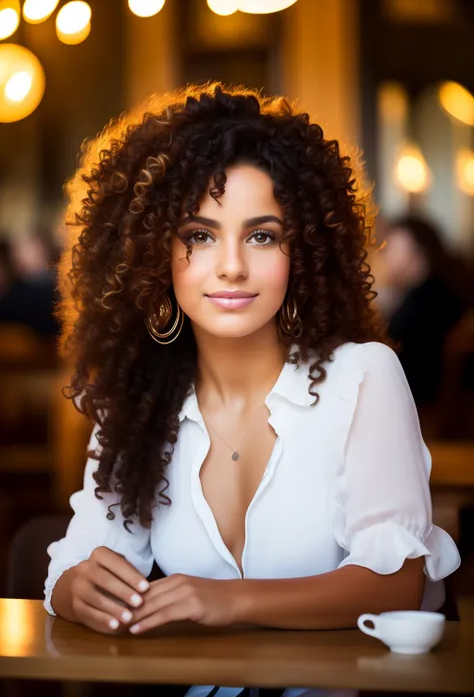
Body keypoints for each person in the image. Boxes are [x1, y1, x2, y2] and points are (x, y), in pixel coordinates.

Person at [44, 84, 460, 697]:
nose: (232, 265)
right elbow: (74, 562)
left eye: (262, 235)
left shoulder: (362, 376)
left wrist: (228, 600)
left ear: (305, 251)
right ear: (156, 255)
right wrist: (75, 590)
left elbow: (393, 584)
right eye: (200, 235)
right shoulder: (138, 402)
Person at [379, 217, 466, 408]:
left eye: (391, 247)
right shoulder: (433, 292)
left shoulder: (430, 299)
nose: (385, 255)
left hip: (417, 402)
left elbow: (392, 349)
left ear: (415, 251)